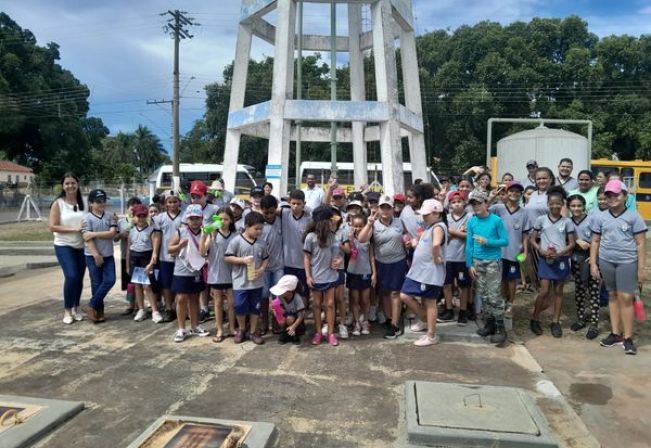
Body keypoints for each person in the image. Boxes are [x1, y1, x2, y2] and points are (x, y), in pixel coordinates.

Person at [590, 180, 647, 355]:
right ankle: (615, 334)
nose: (612, 198)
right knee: (613, 295)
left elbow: (641, 244)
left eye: (616, 194)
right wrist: (593, 263)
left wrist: (641, 269)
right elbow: (595, 240)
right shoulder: (601, 217)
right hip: (607, 261)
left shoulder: (633, 216)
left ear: (624, 195)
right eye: (608, 195)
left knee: (626, 297)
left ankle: (628, 337)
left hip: (627, 261)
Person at [358, 195, 409, 339]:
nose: (385, 210)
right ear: (378, 209)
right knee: (385, 293)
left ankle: (394, 324)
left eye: (388, 207)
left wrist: (408, 240)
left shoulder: (399, 222)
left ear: (393, 209)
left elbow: (406, 235)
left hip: (398, 263)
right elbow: (361, 239)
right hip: (381, 263)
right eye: (382, 207)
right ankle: (388, 319)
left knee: (395, 293)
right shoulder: (373, 224)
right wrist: (369, 223)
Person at [529, 186, 576, 338]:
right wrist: (541, 250)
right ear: (548, 204)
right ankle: (535, 318)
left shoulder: (567, 222)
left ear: (562, 204)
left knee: (558, 291)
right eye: (552, 203)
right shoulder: (541, 219)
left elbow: (571, 243)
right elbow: (532, 239)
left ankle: (555, 321)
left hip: (561, 260)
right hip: (545, 259)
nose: (555, 206)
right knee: (543, 291)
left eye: (558, 203)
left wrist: (560, 253)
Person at [400, 199, 448, 347]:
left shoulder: (438, 227)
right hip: (420, 272)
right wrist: (416, 244)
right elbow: (428, 244)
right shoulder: (430, 226)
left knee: (430, 302)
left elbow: (435, 244)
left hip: (429, 272)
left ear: (436, 213)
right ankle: (424, 319)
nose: (423, 217)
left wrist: (436, 257)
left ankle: (431, 334)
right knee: (406, 295)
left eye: (426, 215)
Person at [466, 190, 509, 345]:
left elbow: (505, 241)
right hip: (477, 262)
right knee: (483, 294)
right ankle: (489, 323)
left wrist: (488, 241)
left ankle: (500, 327)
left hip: (492, 262)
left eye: (479, 203)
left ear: (486, 203)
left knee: (494, 295)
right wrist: (469, 264)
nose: (476, 207)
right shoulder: (472, 221)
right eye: (473, 204)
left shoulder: (496, 220)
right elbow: (469, 244)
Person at [225, 211, 269, 345]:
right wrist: (242, 260)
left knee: (255, 307)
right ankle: (242, 329)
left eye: (261, 229)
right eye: (256, 228)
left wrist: (261, 269)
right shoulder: (236, 241)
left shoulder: (261, 243)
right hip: (240, 281)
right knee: (240, 305)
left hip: (256, 282)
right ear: (246, 226)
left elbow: (266, 259)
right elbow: (227, 257)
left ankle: (253, 331)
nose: (259, 231)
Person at [168, 204, 210, 342]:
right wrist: (180, 245)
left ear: (202, 218)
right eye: (192, 218)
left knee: (194, 298)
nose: (195, 221)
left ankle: (195, 326)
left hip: (197, 270)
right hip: (181, 270)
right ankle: (181, 328)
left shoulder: (205, 232)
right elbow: (170, 249)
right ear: (187, 219)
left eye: (197, 218)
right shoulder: (181, 231)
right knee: (181, 298)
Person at [48, 173, 86, 324]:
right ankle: (67, 310)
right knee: (71, 276)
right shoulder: (58, 203)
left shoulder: (84, 201)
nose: (70, 186)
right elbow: (52, 226)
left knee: (79, 278)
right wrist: (74, 229)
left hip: (82, 245)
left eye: (73, 183)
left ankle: (76, 307)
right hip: (64, 244)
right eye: (67, 183)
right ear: (63, 186)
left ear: (77, 184)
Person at [489, 182, 530, 319]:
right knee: (500, 279)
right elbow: (482, 211)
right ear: (506, 193)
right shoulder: (498, 208)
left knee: (512, 280)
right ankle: (501, 302)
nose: (514, 193)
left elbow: (525, 233)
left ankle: (510, 304)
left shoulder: (524, 212)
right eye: (511, 191)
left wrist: (525, 251)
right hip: (497, 251)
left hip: (514, 251)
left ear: (521, 195)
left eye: (517, 192)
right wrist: (491, 198)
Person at [304, 206, 341, 346]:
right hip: (316, 277)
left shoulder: (333, 237)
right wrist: (308, 276)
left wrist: (338, 261)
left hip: (330, 276)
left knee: (330, 304)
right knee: (317, 304)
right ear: (323, 222)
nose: (333, 223)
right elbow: (306, 258)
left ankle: (331, 333)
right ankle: (318, 332)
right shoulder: (310, 237)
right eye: (331, 221)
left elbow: (337, 255)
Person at [80, 189, 118, 323]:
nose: (101, 203)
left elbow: (112, 233)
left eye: (103, 201)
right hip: (92, 255)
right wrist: (96, 255)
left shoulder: (110, 216)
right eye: (98, 201)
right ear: (91, 203)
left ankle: (91, 305)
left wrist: (94, 234)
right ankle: (98, 312)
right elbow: (87, 238)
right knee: (96, 283)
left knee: (110, 280)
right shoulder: (86, 218)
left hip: (108, 255)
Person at [567, 194, 600, 340]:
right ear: (569, 207)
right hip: (576, 258)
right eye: (573, 206)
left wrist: (593, 258)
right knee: (579, 289)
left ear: (584, 206)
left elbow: (598, 238)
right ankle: (581, 318)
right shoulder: (568, 222)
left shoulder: (592, 220)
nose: (576, 208)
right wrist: (577, 240)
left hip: (590, 257)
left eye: (579, 205)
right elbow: (565, 237)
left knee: (593, 290)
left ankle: (594, 324)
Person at [201, 206, 236, 343]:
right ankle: (220, 329)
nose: (223, 221)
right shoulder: (211, 235)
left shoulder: (235, 235)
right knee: (218, 303)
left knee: (232, 303)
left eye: (226, 219)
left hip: (232, 274)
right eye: (220, 219)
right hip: (215, 273)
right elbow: (203, 252)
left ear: (231, 221)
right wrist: (209, 236)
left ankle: (232, 327)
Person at [440, 191, 471, 326]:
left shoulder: (469, 217)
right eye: (453, 202)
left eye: (459, 201)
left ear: (464, 203)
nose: (457, 204)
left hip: (462, 258)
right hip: (447, 257)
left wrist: (453, 232)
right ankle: (449, 308)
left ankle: (463, 311)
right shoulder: (446, 218)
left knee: (463, 286)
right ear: (450, 204)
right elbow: (443, 237)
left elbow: (470, 235)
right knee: (447, 284)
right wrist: (458, 232)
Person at [152, 191, 183, 322]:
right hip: (165, 256)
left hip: (182, 256)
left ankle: (179, 308)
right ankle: (169, 308)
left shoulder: (185, 216)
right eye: (169, 202)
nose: (172, 204)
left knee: (180, 283)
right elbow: (157, 236)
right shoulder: (160, 218)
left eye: (175, 201)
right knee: (166, 284)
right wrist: (155, 252)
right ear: (165, 204)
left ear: (179, 202)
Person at [343, 214, 376, 336]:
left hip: (366, 273)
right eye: (355, 226)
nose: (357, 228)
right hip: (353, 273)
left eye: (360, 226)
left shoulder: (368, 239)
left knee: (365, 299)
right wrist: (351, 241)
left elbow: (371, 257)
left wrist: (374, 274)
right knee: (355, 299)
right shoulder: (349, 239)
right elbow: (349, 253)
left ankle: (365, 321)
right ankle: (356, 322)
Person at [127, 204, 161, 323]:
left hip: (146, 258)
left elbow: (155, 250)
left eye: (143, 216)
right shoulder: (131, 230)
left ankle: (155, 311)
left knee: (147, 285)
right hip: (134, 258)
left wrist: (151, 263)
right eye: (138, 216)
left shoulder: (152, 230)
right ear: (134, 216)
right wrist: (127, 264)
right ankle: (141, 309)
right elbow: (128, 248)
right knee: (137, 285)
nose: (141, 218)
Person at [260, 194, 285, 335]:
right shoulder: (258, 223)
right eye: (266, 212)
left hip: (278, 266)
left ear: (276, 208)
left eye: (271, 212)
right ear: (261, 209)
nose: (269, 215)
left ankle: (277, 321)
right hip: (263, 268)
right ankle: (264, 323)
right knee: (263, 296)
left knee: (278, 296)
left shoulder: (281, 221)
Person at [281, 189, 312, 297]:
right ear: (289, 202)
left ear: (304, 204)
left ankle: (302, 312)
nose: (295, 206)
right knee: (289, 292)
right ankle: (291, 313)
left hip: (303, 263)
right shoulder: (284, 214)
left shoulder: (309, 218)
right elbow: (268, 210)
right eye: (293, 203)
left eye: (299, 204)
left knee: (303, 292)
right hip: (287, 263)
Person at [116, 197, 142, 316]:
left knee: (138, 282)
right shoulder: (122, 222)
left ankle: (138, 306)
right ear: (127, 209)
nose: (133, 211)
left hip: (139, 256)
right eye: (132, 208)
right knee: (129, 284)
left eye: (136, 208)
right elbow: (117, 237)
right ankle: (130, 305)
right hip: (125, 256)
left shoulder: (143, 221)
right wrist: (129, 226)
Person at [270, 275, 306, 344]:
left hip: (296, 320)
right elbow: (277, 310)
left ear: (289, 291)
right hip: (285, 317)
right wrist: (276, 312)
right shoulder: (280, 297)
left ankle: (294, 335)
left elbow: (301, 315)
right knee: (282, 320)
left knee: (290, 318)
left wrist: (293, 326)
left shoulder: (297, 298)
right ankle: (284, 332)